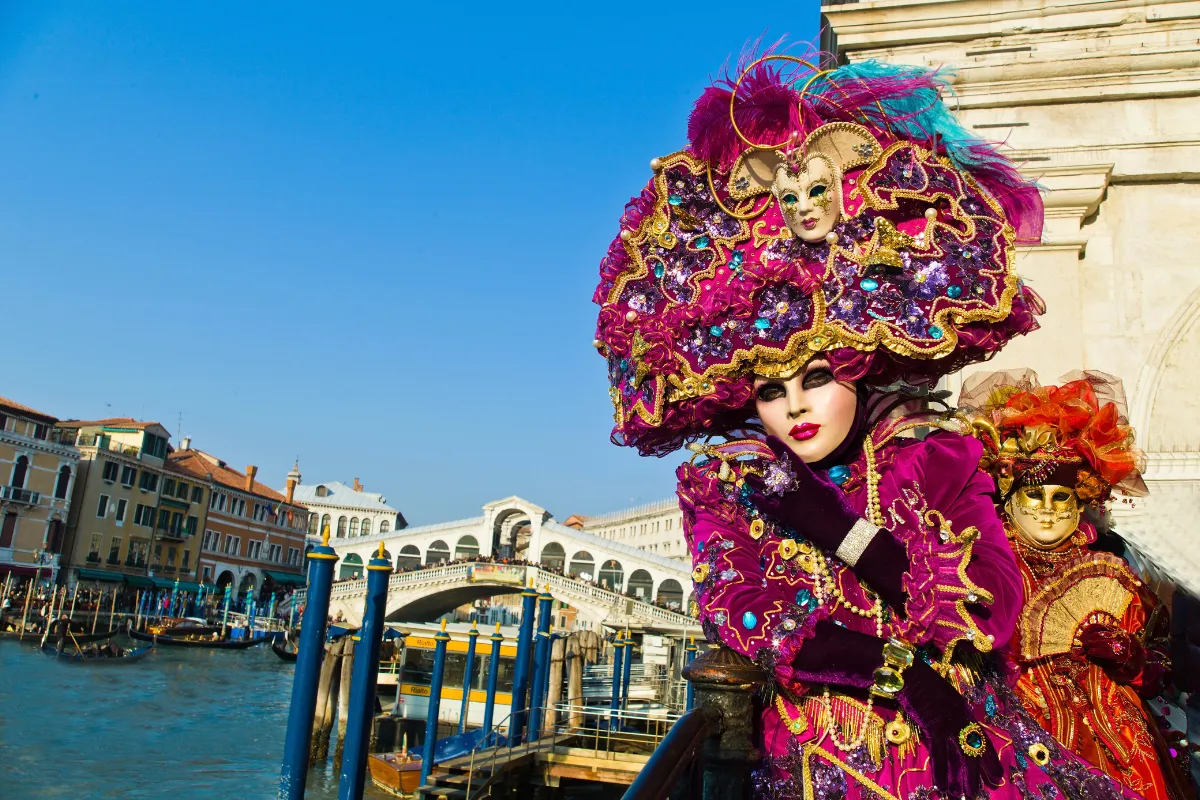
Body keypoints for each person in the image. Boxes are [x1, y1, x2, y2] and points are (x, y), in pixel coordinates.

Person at [592, 49, 1141, 799]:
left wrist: (837, 528)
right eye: (769, 389)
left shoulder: (933, 457)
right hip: (819, 759)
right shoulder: (729, 484)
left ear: (856, 366)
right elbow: (753, 616)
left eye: (816, 378)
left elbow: (990, 600)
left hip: (957, 749)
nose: (793, 407)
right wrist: (901, 671)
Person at [961, 370, 1196, 800]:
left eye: (1061, 498)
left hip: (1121, 740)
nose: (1047, 511)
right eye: (1034, 497)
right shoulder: (983, 569)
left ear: (1080, 505)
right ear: (1009, 504)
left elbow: (1164, 661)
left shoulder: (1111, 571)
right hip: (1021, 732)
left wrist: (1132, 659)